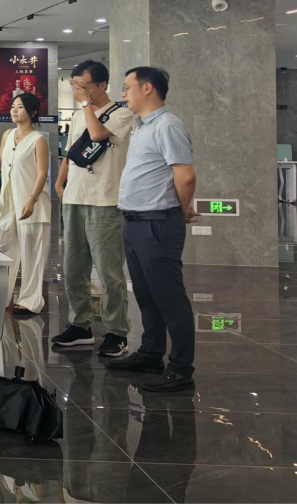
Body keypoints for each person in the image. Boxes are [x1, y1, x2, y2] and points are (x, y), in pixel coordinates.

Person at [108, 67, 197, 393]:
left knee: (169, 298)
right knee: (147, 296)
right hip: (135, 223)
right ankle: (150, 354)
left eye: (127, 87)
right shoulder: (142, 126)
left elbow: (185, 175)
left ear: (147, 88)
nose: (123, 94)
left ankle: (181, 369)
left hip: (157, 223)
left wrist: (181, 210)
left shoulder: (168, 125)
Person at [51, 60, 136, 358]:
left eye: (84, 85)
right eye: (75, 85)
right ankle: (80, 325)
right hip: (75, 198)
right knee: (73, 267)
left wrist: (87, 104)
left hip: (106, 201)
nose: (78, 91)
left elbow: (98, 134)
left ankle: (117, 332)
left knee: (109, 271)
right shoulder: (78, 116)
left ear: (102, 85)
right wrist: (60, 183)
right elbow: (71, 153)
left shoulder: (123, 114)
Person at [0, 93, 50, 316]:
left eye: (20, 107)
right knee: (2, 246)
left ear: (33, 112)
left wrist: (32, 199)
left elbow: (42, 173)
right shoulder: (8, 134)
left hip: (32, 203)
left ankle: (30, 301)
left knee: (32, 252)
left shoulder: (38, 140)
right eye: (13, 106)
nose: (14, 110)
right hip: (8, 202)